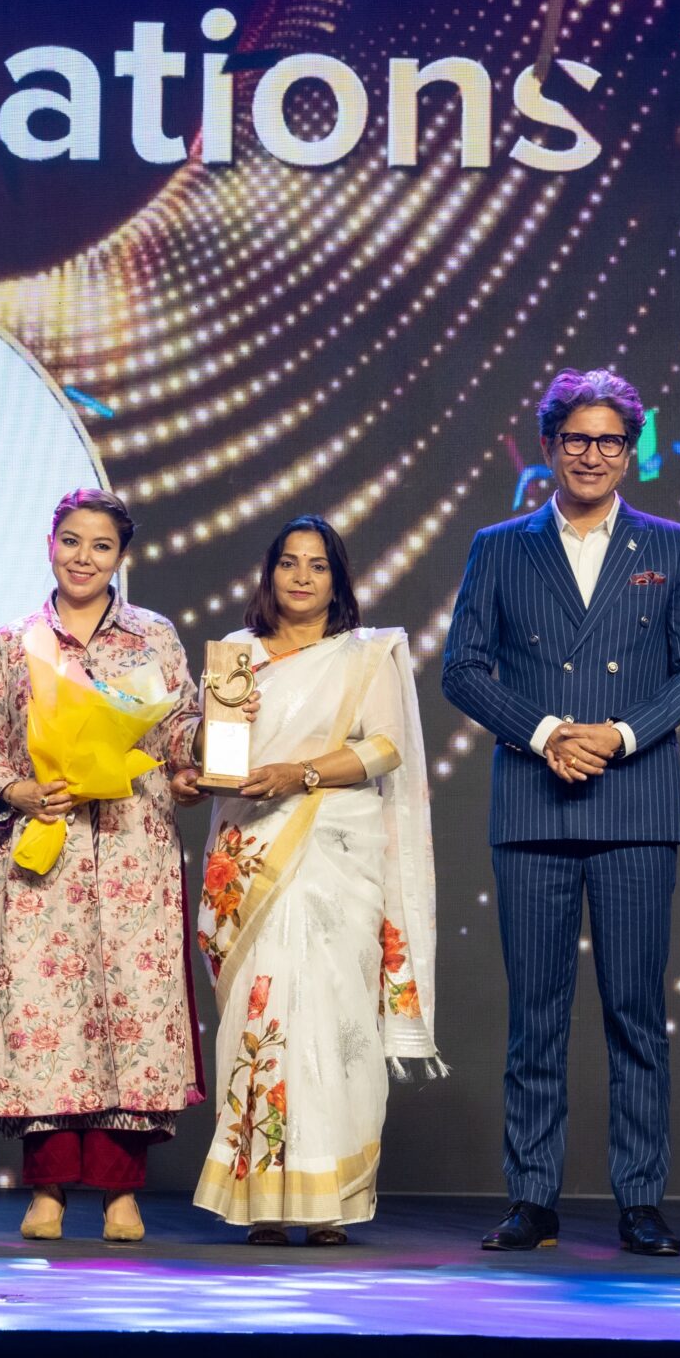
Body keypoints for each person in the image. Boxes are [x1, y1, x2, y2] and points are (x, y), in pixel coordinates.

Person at [442, 369, 680, 1256]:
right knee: (537, 1013)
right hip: (534, 801)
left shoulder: (672, 546)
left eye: (609, 440)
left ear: (630, 450)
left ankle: (641, 1198)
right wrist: (549, 732)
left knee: (636, 1010)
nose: (592, 454)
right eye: (576, 438)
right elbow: (461, 667)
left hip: (635, 803)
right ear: (550, 446)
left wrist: (619, 734)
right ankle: (532, 1197)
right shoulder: (499, 546)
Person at [0, 490, 205, 1243]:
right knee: (49, 1022)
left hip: (133, 851)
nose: (84, 558)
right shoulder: (14, 642)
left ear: (121, 557)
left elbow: (180, 728)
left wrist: (204, 747)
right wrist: (18, 791)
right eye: (71, 541)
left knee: (131, 1017)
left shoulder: (154, 638)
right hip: (47, 852)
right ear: (50, 544)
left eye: (101, 546)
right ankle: (48, 1190)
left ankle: (121, 1191)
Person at [190, 516, 439, 1245]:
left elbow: (386, 747)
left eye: (318, 565)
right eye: (289, 563)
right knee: (260, 1015)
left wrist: (298, 773)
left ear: (338, 580)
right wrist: (218, 730)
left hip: (334, 855)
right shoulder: (236, 655)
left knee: (334, 1020)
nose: (301, 577)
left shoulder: (366, 655)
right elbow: (212, 757)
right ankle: (262, 1201)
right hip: (249, 856)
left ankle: (329, 1201)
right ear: (269, 574)